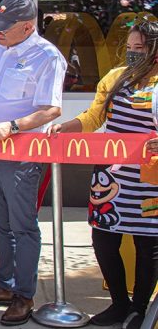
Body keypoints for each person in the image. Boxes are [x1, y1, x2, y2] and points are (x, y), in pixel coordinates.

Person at [0, 0, 66, 326]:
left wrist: (15, 126)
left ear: (28, 26)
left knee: (23, 227)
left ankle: (24, 294)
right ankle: (4, 284)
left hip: (21, 155)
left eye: (5, 28)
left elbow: (51, 109)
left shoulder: (47, 56)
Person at [49, 19, 158, 329]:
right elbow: (94, 116)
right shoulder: (114, 78)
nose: (134, 53)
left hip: (149, 179)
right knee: (103, 239)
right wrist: (67, 127)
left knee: (147, 244)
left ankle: (139, 307)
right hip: (111, 176)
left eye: (142, 48)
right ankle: (119, 304)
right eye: (131, 47)